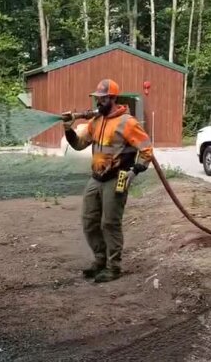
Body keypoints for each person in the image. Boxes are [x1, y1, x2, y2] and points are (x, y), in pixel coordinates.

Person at [63, 79, 153, 283]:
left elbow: (146, 149)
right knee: (89, 221)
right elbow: (78, 145)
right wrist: (69, 129)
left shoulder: (128, 122)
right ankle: (100, 260)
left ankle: (114, 267)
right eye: (97, 99)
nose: (98, 103)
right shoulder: (96, 122)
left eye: (102, 99)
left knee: (110, 223)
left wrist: (136, 170)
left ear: (112, 98)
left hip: (119, 177)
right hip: (96, 177)